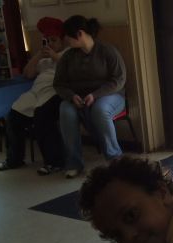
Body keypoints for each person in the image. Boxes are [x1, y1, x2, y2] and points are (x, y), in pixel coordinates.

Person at [53, 15, 126, 179]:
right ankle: (74, 163)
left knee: (100, 110)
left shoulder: (107, 51)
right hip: (78, 98)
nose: (66, 41)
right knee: (65, 110)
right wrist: (71, 96)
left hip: (110, 95)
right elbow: (59, 83)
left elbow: (119, 80)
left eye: (68, 37)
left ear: (80, 34)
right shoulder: (68, 57)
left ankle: (115, 160)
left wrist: (95, 95)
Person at [0, 17, 67, 175]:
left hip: (55, 93)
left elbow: (69, 68)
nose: (50, 43)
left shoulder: (67, 54)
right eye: (47, 40)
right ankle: (14, 159)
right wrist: (38, 56)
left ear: (62, 41)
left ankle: (54, 162)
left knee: (42, 116)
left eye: (54, 40)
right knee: (13, 115)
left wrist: (54, 55)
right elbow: (28, 74)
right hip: (36, 93)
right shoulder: (43, 60)